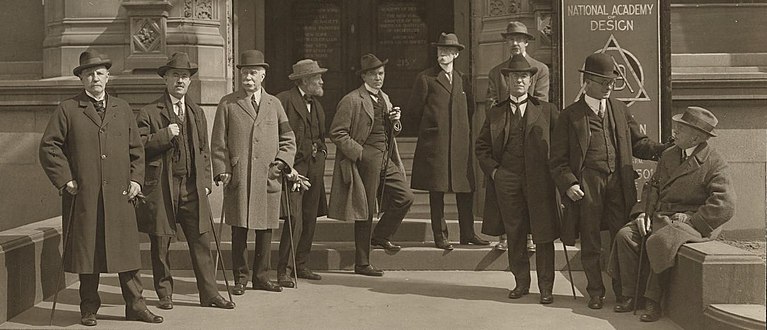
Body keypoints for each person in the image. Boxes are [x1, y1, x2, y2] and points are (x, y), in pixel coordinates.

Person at [39, 50, 163, 326]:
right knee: (88, 253)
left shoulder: (123, 108)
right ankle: (88, 308)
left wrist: (136, 180)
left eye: (100, 73)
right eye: (89, 73)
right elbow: (49, 146)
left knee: (127, 254)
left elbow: (137, 150)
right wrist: (66, 179)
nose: (95, 78)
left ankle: (136, 306)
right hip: (84, 194)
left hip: (120, 195)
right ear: (81, 78)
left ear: (108, 77)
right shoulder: (68, 109)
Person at [549, 53, 668, 310]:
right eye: (604, 82)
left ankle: (623, 293)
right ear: (588, 81)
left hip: (619, 182)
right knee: (591, 240)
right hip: (587, 183)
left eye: (612, 83)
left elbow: (639, 143)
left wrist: (662, 150)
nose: (609, 87)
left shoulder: (619, 109)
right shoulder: (570, 116)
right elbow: (557, 160)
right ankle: (595, 292)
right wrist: (569, 183)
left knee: (620, 237)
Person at [610, 106, 735, 322]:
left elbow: (725, 204)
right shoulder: (669, 154)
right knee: (625, 236)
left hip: (692, 222)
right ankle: (631, 295)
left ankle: (653, 301)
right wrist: (642, 214)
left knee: (660, 240)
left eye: (681, 129)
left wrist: (693, 219)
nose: (674, 132)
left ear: (696, 136)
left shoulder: (715, 162)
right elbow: (652, 187)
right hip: (662, 216)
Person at [135, 52, 235, 310]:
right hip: (162, 187)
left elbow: (203, 149)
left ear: (190, 81)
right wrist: (164, 135)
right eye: (175, 75)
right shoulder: (149, 112)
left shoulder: (196, 111)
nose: (180, 80)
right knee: (160, 242)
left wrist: (204, 181)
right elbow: (137, 147)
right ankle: (165, 294)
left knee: (201, 239)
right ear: (165, 78)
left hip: (191, 187)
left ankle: (210, 294)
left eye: (185, 76)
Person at [476, 54, 560, 304]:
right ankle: (521, 283)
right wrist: (495, 173)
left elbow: (560, 146)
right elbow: (481, 147)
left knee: (543, 235)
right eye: (514, 76)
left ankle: (546, 287)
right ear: (507, 81)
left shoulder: (546, 110)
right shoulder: (495, 112)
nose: (519, 81)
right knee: (514, 233)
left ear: (531, 80)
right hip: (507, 180)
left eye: (524, 76)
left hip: (540, 183)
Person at [210, 50, 296, 294]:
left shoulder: (274, 104)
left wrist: (282, 161)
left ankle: (262, 276)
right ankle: (240, 278)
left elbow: (288, 137)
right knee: (239, 227)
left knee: (265, 228)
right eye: (244, 72)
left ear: (263, 75)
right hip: (239, 175)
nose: (248, 77)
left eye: (253, 73)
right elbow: (218, 143)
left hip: (267, 174)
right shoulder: (228, 103)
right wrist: (222, 169)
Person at [328, 53, 415, 277]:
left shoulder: (384, 98)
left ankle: (381, 236)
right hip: (365, 161)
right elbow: (337, 133)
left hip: (386, 159)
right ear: (364, 76)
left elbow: (390, 131)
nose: (378, 78)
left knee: (406, 196)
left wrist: (395, 122)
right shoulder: (352, 99)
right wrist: (361, 153)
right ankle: (362, 263)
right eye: (374, 74)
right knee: (365, 210)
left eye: (381, 74)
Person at [407, 33, 488, 250]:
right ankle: (440, 236)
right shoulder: (426, 78)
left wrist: (459, 131)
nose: (443, 55)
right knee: (437, 191)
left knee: (465, 189)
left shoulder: (463, 79)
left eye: (448, 51)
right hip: (436, 144)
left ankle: (468, 233)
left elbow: (469, 109)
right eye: (440, 51)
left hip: (459, 144)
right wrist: (431, 131)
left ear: (456, 54)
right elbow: (414, 112)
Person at [486, 21, 550, 251]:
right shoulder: (497, 72)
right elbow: (491, 102)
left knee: (532, 192)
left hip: (532, 136)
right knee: (504, 192)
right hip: (504, 138)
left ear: (526, 42)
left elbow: (541, 103)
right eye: (510, 39)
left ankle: (531, 236)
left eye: (519, 39)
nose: (514, 43)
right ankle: (504, 236)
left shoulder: (540, 70)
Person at [274, 59, 329, 287]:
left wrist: (323, 154)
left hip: (314, 168)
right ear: (305, 81)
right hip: (294, 170)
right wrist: (288, 168)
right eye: (317, 78)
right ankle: (284, 270)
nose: (321, 81)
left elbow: (321, 136)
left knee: (309, 217)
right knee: (293, 218)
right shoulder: (284, 100)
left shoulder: (316, 104)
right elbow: (276, 137)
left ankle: (302, 263)